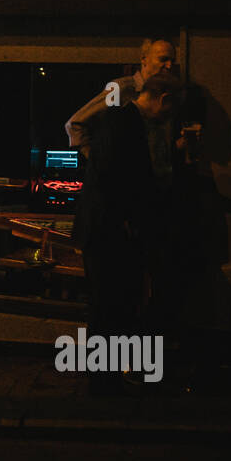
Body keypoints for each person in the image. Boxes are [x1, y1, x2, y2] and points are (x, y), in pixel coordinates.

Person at [71, 72, 183, 395]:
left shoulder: (120, 121)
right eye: (170, 109)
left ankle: (105, 379)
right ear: (163, 99)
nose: (169, 118)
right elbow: (116, 178)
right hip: (111, 232)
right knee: (110, 305)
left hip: (107, 230)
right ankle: (105, 382)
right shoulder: (126, 123)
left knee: (109, 305)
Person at [65, 38, 177, 158]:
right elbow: (76, 124)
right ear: (144, 59)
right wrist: (98, 161)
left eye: (172, 61)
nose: (169, 66)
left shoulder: (164, 94)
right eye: (163, 59)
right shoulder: (120, 88)